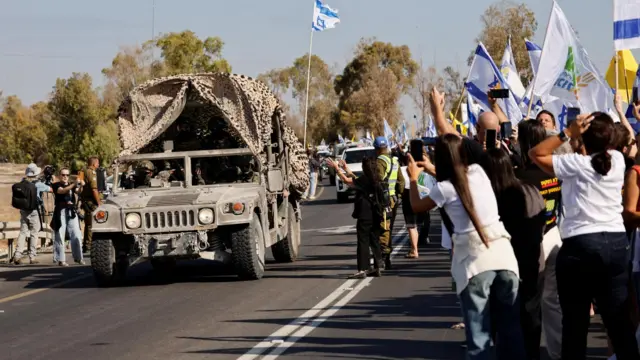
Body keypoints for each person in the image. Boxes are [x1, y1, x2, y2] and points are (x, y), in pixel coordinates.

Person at [529, 112, 640, 359]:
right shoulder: (618, 161)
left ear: (583, 139)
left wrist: (567, 132)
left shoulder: (575, 165)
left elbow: (535, 153)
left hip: (580, 246)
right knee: (619, 324)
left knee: (575, 327)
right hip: (616, 244)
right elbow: (626, 138)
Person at [407, 134, 525, 359]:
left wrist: (413, 178)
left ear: (438, 157)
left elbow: (416, 205)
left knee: (479, 338)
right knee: (511, 331)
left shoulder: (443, 188)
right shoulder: (480, 173)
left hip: (474, 264)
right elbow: (460, 177)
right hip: (504, 257)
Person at [480, 147, 547, 359]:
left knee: (503, 320)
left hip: (500, 264)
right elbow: (542, 220)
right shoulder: (531, 190)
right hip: (532, 258)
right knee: (531, 314)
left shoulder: (489, 199)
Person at [328, 157, 383, 279]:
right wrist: (345, 168)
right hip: (376, 214)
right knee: (374, 241)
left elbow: (348, 181)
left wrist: (337, 169)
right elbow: (356, 180)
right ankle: (378, 266)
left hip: (365, 215)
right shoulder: (376, 177)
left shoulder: (365, 179)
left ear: (365, 168)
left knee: (363, 242)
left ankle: (363, 269)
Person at [11, 163, 53, 265]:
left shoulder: (22, 182)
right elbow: (51, 189)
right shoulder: (38, 184)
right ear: (36, 173)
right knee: (34, 233)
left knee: (23, 232)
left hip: (23, 210)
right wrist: (50, 181)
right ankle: (32, 257)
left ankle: (17, 255)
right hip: (34, 211)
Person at [373, 136, 405, 270]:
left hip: (384, 201)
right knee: (389, 228)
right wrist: (399, 195)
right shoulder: (394, 161)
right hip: (393, 200)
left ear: (376, 149)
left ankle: (384, 257)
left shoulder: (380, 162)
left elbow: (378, 181)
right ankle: (386, 256)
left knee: (383, 228)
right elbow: (401, 181)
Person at [51, 168, 85, 266]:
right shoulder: (56, 185)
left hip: (71, 211)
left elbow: (78, 192)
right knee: (60, 235)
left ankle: (79, 258)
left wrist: (81, 186)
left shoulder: (71, 184)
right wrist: (74, 184)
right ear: (59, 175)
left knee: (76, 234)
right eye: (63, 174)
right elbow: (62, 191)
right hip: (60, 211)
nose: (65, 177)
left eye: (67, 175)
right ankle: (61, 259)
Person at [79, 156, 102, 253]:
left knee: (88, 223)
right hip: (91, 202)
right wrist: (99, 202)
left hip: (85, 201)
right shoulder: (91, 172)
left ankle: (86, 245)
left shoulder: (83, 171)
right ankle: (89, 245)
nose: (98, 165)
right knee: (92, 224)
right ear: (94, 164)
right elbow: (94, 189)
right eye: (97, 163)